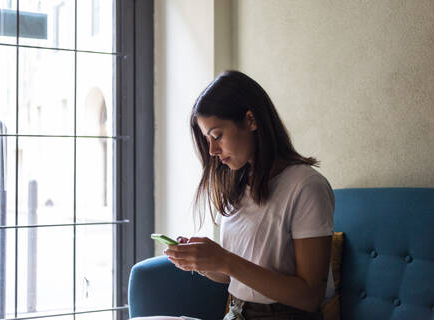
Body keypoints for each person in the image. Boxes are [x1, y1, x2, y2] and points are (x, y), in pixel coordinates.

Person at [136, 70, 335, 320]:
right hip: (236, 313)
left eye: (217, 135)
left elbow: (310, 297)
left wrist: (226, 260)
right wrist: (204, 262)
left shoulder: (306, 185)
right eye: (207, 139)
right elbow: (233, 276)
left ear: (251, 120)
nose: (212, 150)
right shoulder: (238, 187)